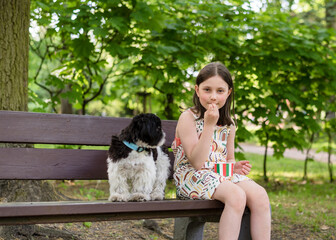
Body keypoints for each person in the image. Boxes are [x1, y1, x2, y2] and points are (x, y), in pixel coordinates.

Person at [172, 62, 271, 240]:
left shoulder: (229, 123)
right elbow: (196, 162)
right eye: (207, 90)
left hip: (217, 175)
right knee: (236, 195)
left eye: (220, 91)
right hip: (191, 176)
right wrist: (209, 125)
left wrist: (233, 168)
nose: (213, 97)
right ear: (197, 90)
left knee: (260, 195)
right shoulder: (188, 118)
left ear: (229, 92)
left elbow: (229, 159)